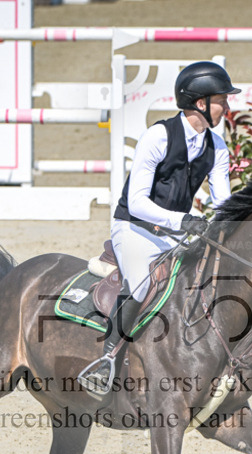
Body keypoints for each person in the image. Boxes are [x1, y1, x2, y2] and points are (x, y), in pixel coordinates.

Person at [76, 61, 241, 396]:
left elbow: (223, 201)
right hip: (134, 228)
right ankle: (107, 360)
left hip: (176, 231)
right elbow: (136, 201)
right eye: (222, 100)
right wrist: (184, 220)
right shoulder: (158, 136)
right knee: (144, 287)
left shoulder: (217, 147)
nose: (227, 106)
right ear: (200, 104)